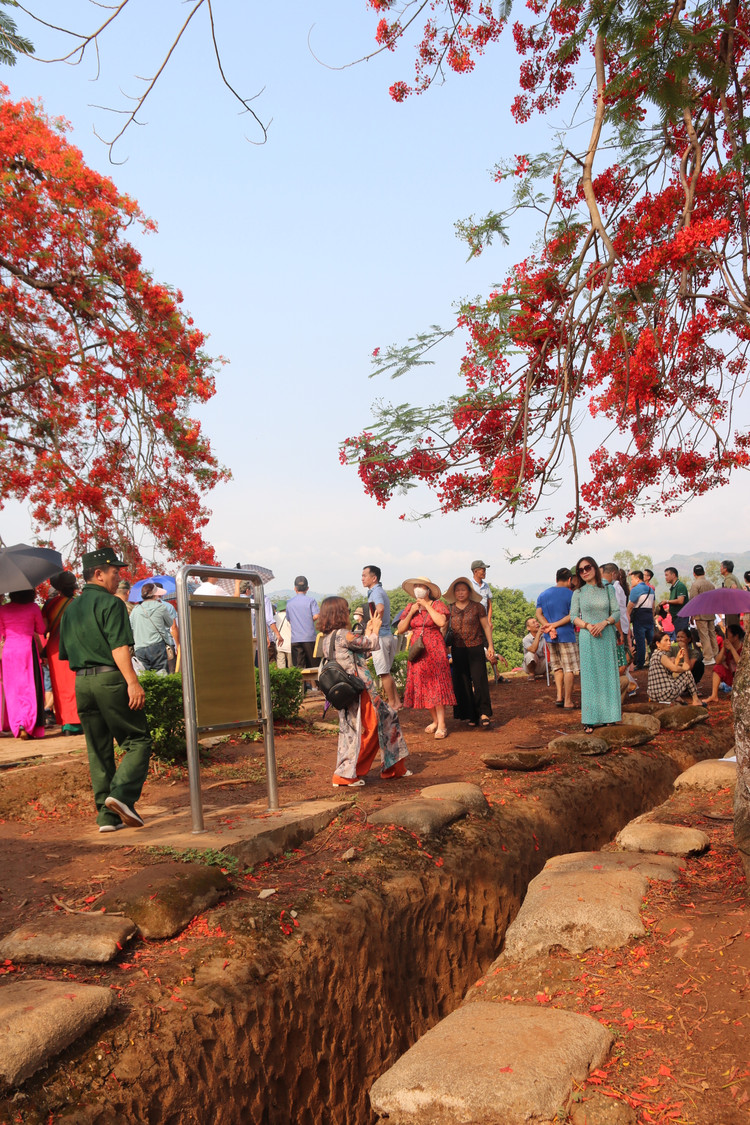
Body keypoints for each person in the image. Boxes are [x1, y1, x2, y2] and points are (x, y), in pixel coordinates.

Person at [59, 547, 152, 833]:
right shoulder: (112, 604)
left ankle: (106, 817)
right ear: (98, 574)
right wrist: (132, 682)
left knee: (98, 749)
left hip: (82, 682)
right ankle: (121, 795)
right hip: (110, 679)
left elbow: (65, 654)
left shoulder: (70, 608)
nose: (118, 578)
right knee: (138, 740)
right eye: (115, 573)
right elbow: (119, 647)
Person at [317, 596, 410, 787]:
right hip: (360, 691)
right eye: (346, 610)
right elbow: (372, 645)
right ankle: (346, 774)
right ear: (340, 613)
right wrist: (375, 628)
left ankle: (394, 768)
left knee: (381, 720)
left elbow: (360, 653)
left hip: (347, 692)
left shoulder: (329, 638)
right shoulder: (344, 634)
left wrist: (368, 632)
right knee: (371, 728)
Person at [397, 577, 455, 740]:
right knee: (423, 685)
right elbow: (401, 629)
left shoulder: (438, 605)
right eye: (416, 586)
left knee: (437, 685)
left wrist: (427, 606)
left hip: (435, 649)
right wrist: (413, 612)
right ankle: (435, 720)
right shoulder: (410, 607)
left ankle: (442, 724)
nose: (418, 589)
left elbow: (441, 621)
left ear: (428, 590)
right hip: (418, 650)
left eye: (421, 586)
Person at [571, 556, 622, 733]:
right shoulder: (578, 593)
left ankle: (610, 716)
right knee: (590, 677)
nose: (584, 572)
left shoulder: (608, 589)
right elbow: (573, 616)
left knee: (608, 673)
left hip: (606, 634)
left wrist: (604, 623)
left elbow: (616, 612)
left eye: (587, 568)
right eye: (581, 570)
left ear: (595, 568)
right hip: (587, 636)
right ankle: (590, 719)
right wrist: (587, 625)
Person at [444, 577, 495, 727]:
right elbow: (444, 628)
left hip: (476, 646)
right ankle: (471, 714)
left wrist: (490, 646)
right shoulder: (450, 608)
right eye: (457, 590)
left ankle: (484, 713)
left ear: (469, 591)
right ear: (454, 593)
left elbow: (486, 626)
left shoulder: (478, 607)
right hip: (457, 649)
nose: (460, 593)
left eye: (463, 590)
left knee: (479, 680)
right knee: (462, 682)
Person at [0, 589, 47, 740]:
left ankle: (18, 724)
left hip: (9, 652)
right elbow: (41, 629)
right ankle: (27, 724)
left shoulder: (3, 609)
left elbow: (1, 633)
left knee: (13, 689)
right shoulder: (33, 607)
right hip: (27, 649)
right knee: (30, 687)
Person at [42, 571, 83, 735]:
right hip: (74, 646)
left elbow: (44, 629)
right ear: (74, 588)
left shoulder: (49, 605)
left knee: (58, 685)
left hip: (54, 648)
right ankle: (76, 722)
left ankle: (66, 722)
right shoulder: (77, 604)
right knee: (74, 684)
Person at [536, 567, 579, 709]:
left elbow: (538, 614)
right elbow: (571, 615)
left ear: (556, 579)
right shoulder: (572, 594)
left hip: (550, 637)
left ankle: (559, 696)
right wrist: (555, 625)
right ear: (569, 580)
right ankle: (568, 701)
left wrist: (548, 626)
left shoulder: (543, 594)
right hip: (566, 635)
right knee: (569, 669)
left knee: (557, 667)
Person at [362, 565, 400, 709]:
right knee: (387, 672)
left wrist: (373, 626)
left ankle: (391, 704)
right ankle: (397, 701)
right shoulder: (379, 591)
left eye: (365, 575)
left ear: (374, 578)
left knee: (383, 673)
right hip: (387, 634)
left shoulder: (375, 592)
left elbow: (380, 608)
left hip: (381, 636)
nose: (362, 578)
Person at [647, 630, 704, 706]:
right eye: (666, 640)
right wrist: (684, 669)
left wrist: (677, 659)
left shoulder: (655, 654)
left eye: (669, 640)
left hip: (653, 695)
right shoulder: (661, 655)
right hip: (664, 694)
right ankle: (696, 700)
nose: (669, 643)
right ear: (658, 644)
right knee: (687, 673)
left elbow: (670, 671)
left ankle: (678, 698)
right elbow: (674, 669)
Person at [129, 583, 175, 673]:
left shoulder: (135, 610)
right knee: (161, 674)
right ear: (155, 594)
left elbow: (131, 627)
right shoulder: (161, 607)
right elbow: (169, 623)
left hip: (139, 647)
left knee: (144, 675)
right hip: (157, 645)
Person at [469, 559, 500, 682]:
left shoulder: (486, 586)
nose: (485, 572)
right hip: (474, 621)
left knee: (489, 643)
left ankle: (497, 675)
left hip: (484, 620)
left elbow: (489, 603)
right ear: (475, 571)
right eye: (483, 570)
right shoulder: (469, 585)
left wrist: (489, 620)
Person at [286, 576, 320, 671]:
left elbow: (289, 619)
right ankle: (315, 686)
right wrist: (308, 620)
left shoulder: (289, 603)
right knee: (314, 667)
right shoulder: (311, 601)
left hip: (295, 639)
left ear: (295, 588)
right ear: (307, 588)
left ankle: (302, 686)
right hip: (309, 638)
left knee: (299, 669)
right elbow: (316, 616)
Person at [689, 564, 719, 667]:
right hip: (710, 612)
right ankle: (715, 655)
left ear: (694, 574)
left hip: (700, 613)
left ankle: (708, 657)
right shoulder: (710, 584)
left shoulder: (695, 585)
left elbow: (694, 601)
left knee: (704, 635)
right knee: (712, 634)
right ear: (704, 572)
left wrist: (692, 615)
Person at [707, 623, 744, 703]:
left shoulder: (743, 648)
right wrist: (724, 648)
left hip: (742, 678)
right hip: (730, 676)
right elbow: (718, 661)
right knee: (718, 668)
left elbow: (740, 663)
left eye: (728, 635)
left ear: (736, 637)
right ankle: (714, 695)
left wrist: (732, 648)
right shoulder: (727, 648)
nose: (726, 637)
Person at [627, 570, 655, 669]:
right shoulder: (650, 589)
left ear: (637, 579)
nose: (631, 582)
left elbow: (630, 606)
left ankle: (640, 664)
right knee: (652, 641)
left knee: (640, 642)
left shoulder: (635, 590)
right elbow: (653, 607)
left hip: (639, 617)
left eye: (632, 579)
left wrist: (627, 618)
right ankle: (657, 661)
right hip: (649, 617)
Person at [664, 567, 689, 635]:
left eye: (667, 575)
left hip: (681, 616)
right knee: (679, 636)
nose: (666, 577)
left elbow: (680, 601)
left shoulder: (680, 586)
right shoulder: (673, 587)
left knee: (683, 636)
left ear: (673, 575)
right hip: (676, 616)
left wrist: (667, 601)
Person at [721, 560, 742, 628]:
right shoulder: (733, 577)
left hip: (732, 609)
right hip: (737, 608)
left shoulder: (728, 578)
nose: (720, 569)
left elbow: (734, 588)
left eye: (721, 567)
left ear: (725, 569)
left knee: (732, 629)